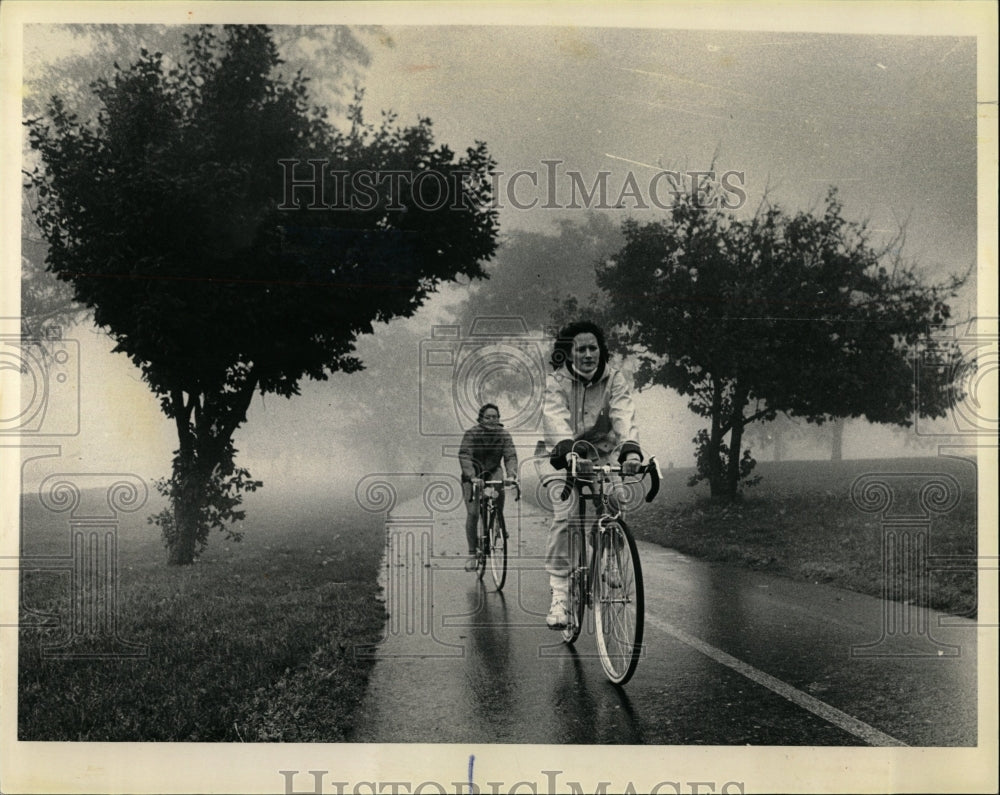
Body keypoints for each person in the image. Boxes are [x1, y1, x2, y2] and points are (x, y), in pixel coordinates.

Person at [542, 321, 643, 628]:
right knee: (566, 516)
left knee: (615, 498)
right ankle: (559, 594)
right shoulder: (557, 381)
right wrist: (568, 450)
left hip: (603, 450)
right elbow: (554, 416)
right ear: (569, 353)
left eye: (593, 347)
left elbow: (623, 414)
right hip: (567, 453)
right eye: (581, 348)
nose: (588, 354)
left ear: (601, 349)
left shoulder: (614, 379)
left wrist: (632, 451)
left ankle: (609, 552)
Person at [458, 403, 519, 572]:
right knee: (473, 512)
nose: (492, 420)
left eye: (495, 417)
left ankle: (497, 524)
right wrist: (472, 476)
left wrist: (512, 475)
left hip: (493, 471)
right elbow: (465, 455)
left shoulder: (504, 435)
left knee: (499, 490)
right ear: (481, 419)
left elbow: (510, 455)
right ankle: (472, 553)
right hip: (473, 476)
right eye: (488, 417)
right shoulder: (471, 434)